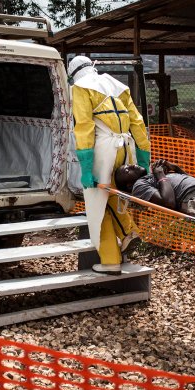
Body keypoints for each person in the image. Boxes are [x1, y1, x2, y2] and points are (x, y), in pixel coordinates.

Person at [69, 55, 151, 275]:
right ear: (92, 67)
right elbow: (138, 123)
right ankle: (128, 232)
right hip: (126, 147)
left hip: (103, 150)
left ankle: (110, 260)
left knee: (97, 206)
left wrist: (86, 168)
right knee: (115, 195)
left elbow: (84, 127)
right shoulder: (118, 85)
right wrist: (144, 161)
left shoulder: (80, 87)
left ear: (73, 74)